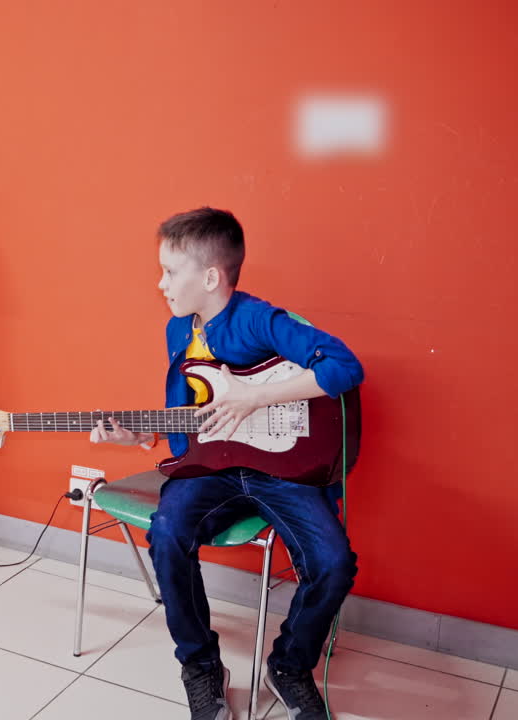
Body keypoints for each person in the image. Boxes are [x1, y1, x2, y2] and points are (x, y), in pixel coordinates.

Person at [90, 207, 363, 720]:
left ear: (211, 277)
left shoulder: (258, 318)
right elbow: (194, 418)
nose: (161, 283)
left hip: (283, 469)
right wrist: (140, 435)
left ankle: (289, 666)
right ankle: (200, 666)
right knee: (169, 532)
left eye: (170, 271)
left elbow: (345, 367)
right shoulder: (179, 330)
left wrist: (255, 400)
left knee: (333, 563)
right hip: (211, 467)